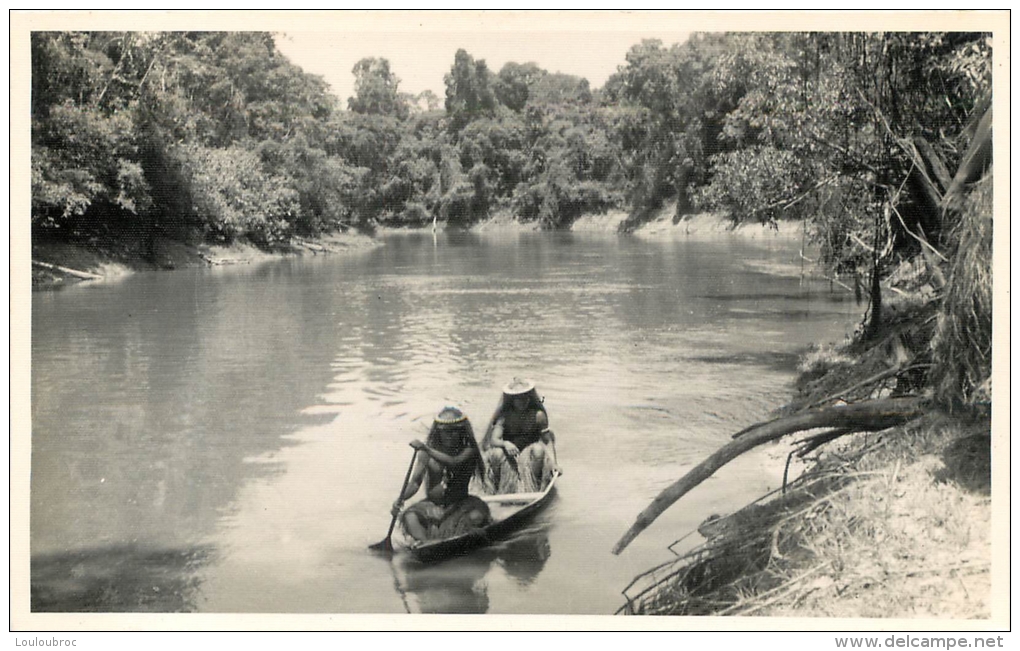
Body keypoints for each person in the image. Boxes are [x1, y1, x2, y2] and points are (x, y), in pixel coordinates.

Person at [392, 407, 491, 543]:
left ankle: (451, 537)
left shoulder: (469, 450)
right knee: (410, 517)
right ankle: (425, 543)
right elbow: (415, 483)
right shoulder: (426, 454)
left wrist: (425, 448)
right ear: (438, 432)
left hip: (461, 503)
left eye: (454, 431)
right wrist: (400, 499)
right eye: (445, 431)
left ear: (461, 431)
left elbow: (454, 462)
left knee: (476, 517)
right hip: (432, 504)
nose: (449, 435)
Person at [481, 378, 560, 494]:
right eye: (518, 399)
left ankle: (535, 485)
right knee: (497, 453)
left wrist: (554, 463)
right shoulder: (505, 416)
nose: (522, 401)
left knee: (538, 450)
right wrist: (505, 443)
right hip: (510, 455)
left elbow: (548, 441)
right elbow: (494, 440)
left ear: (530, 398)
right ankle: (497, 486)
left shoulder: (538, 415)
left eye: (525, 397)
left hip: (530, 454)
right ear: (512, 400)